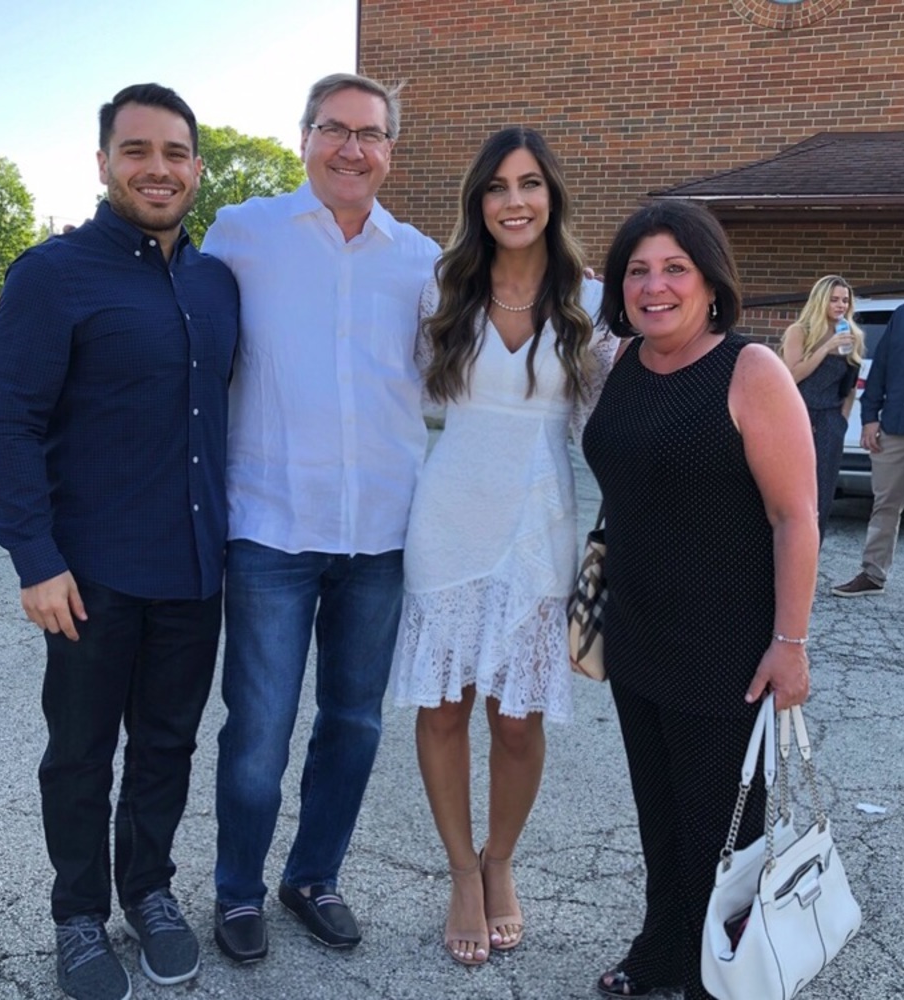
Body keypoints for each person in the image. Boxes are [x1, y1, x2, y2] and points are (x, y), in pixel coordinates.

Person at [0, 84, 239, 1000]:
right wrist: (35, 557)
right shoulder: (52, 274)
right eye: (137, 150)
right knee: (81, 753)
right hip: (87, 578)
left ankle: (149, 892)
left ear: (197, 168)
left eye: (174, 152)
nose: (157, 168)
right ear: (103, 163)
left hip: (195, 573)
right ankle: (77, 914)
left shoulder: (216, 283)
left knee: (168, 747)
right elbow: (6, 424)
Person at [200, 73, 440, 963]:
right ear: (303, 137)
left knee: (354, 722)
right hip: (270, 527)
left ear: (390, 151)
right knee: (258, 727)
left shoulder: (420, 259)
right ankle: (236, 892)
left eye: (370, 134)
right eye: (333, 129)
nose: (351, 148)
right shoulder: (243, 236)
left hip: (380, 534)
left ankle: (314, 876)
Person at [581, 200, 818, 1000]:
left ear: (710, 281)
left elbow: (796, 517)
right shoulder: (623, 360)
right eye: (638, 271)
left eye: (674, 268)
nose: (654, 286)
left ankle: (722, 974)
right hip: (639, 633)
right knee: (661, 818)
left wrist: (790, 643)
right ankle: (664, 950)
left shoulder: (750, 372)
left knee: (722, 830)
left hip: (726, 648)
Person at [391, 126, 614, 966]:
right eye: (496, 187)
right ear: (476, 202)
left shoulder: (591, 305)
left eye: (528, 184)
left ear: (551, 197)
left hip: (540, 526)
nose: (513, 201)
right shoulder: (439, 293)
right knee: (443, 709)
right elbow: (397, 398)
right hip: (447, 520)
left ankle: (500, 860)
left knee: (516, 722)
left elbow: (608, 429)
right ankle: (459, 871)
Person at [831, 246, 904, 611]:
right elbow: (881, 370)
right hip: (893, 428)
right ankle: (872, 575)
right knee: (884, 505)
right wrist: (871, 417)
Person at [778, 274, 864, 542]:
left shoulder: (852, 335)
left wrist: (841, 421)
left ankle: (810, 562)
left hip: (829, 422)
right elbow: (792, 376)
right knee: (789, 494)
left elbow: (850, 386)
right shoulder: (799, 331)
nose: (840, 305)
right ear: (820, 300)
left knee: (821, 496)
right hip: (797, 418)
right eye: (834, 299)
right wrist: (826, 347)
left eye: (845, 300)